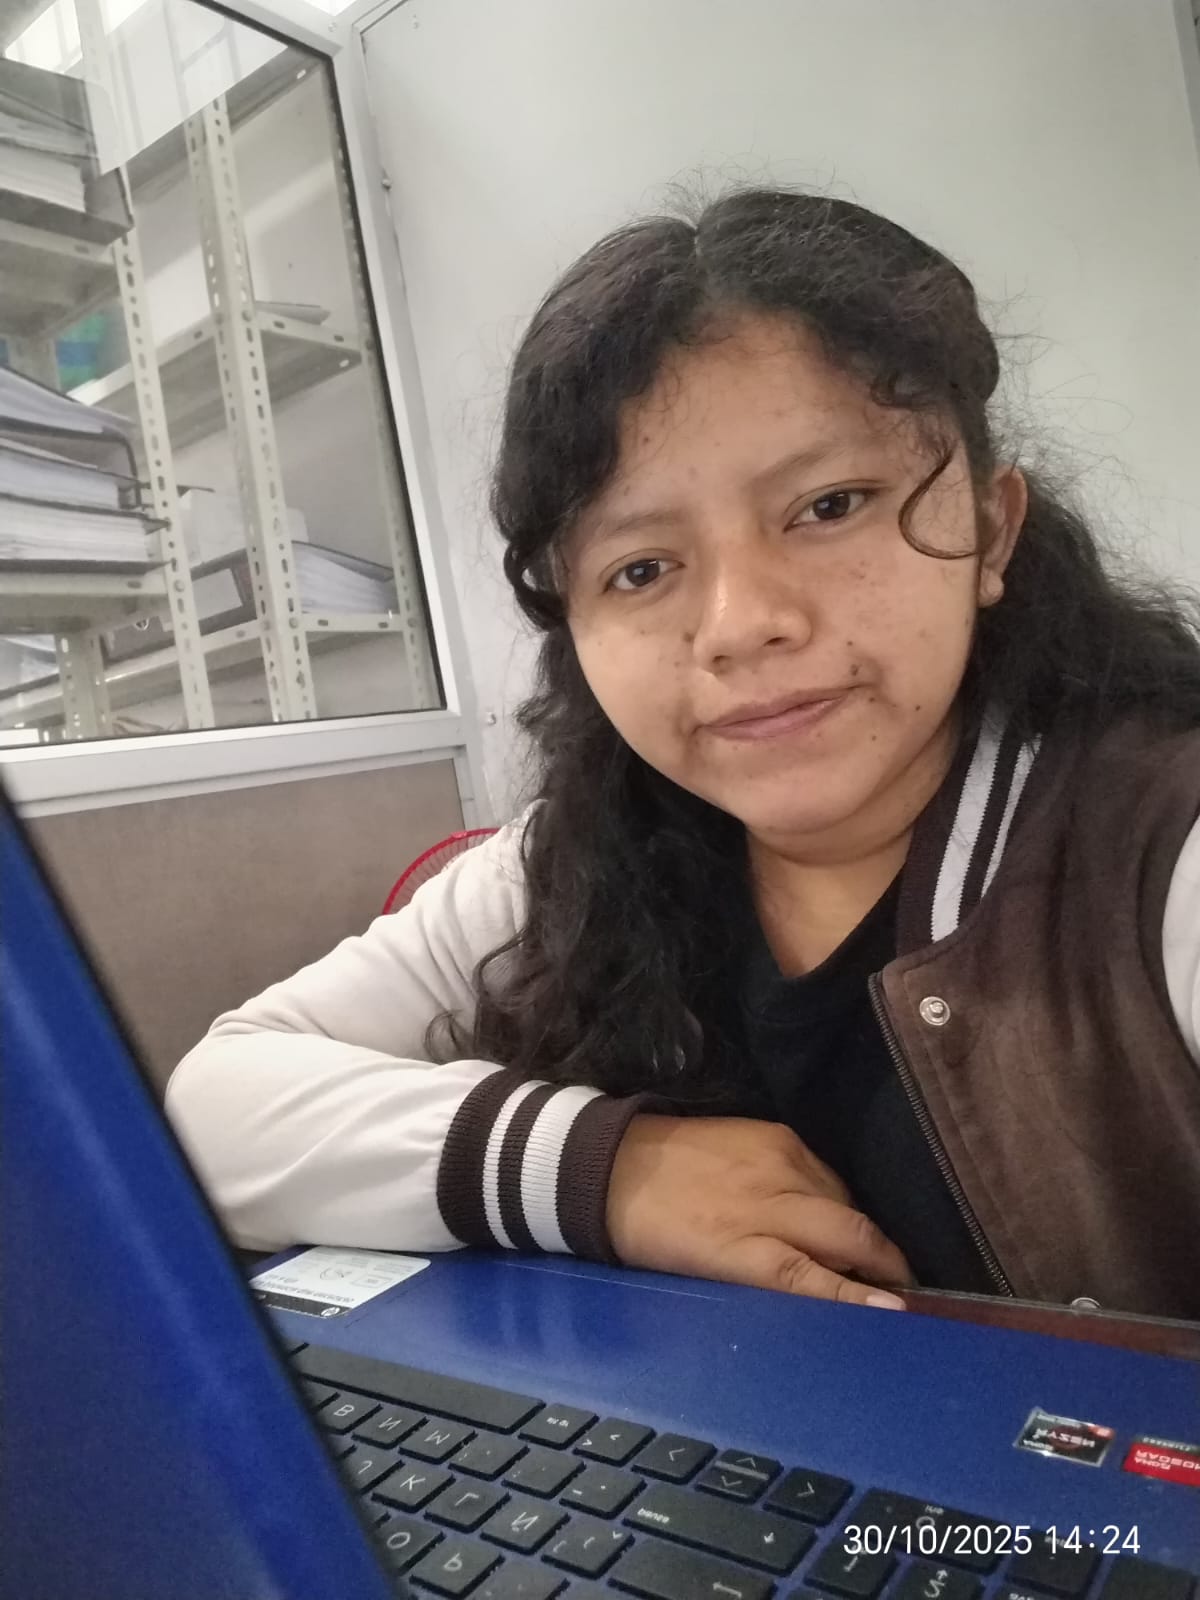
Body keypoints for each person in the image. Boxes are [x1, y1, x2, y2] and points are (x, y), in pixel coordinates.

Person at [166, 188, 1200, 1320]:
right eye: (642, 569)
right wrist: (601, 1171)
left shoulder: (1159, 850)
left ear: (991, 529)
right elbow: (213, 1109)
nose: (742, 623)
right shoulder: (575, 864)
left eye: (829, 505)